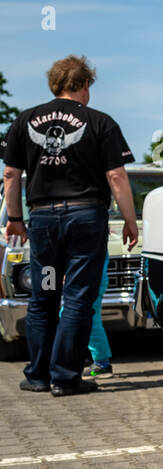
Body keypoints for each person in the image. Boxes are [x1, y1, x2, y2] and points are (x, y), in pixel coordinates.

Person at [1, 56, 137, 396]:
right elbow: (116, 175)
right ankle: (64, 377)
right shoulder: (100, 122)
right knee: (77, 297)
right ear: (85, 85)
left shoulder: (24, 120)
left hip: (43, 222)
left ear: (55, 84)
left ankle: (38, 375)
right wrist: (130, 221)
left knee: (44, 295)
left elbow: (10, 175)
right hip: (85, 220)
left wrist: (15, 219)